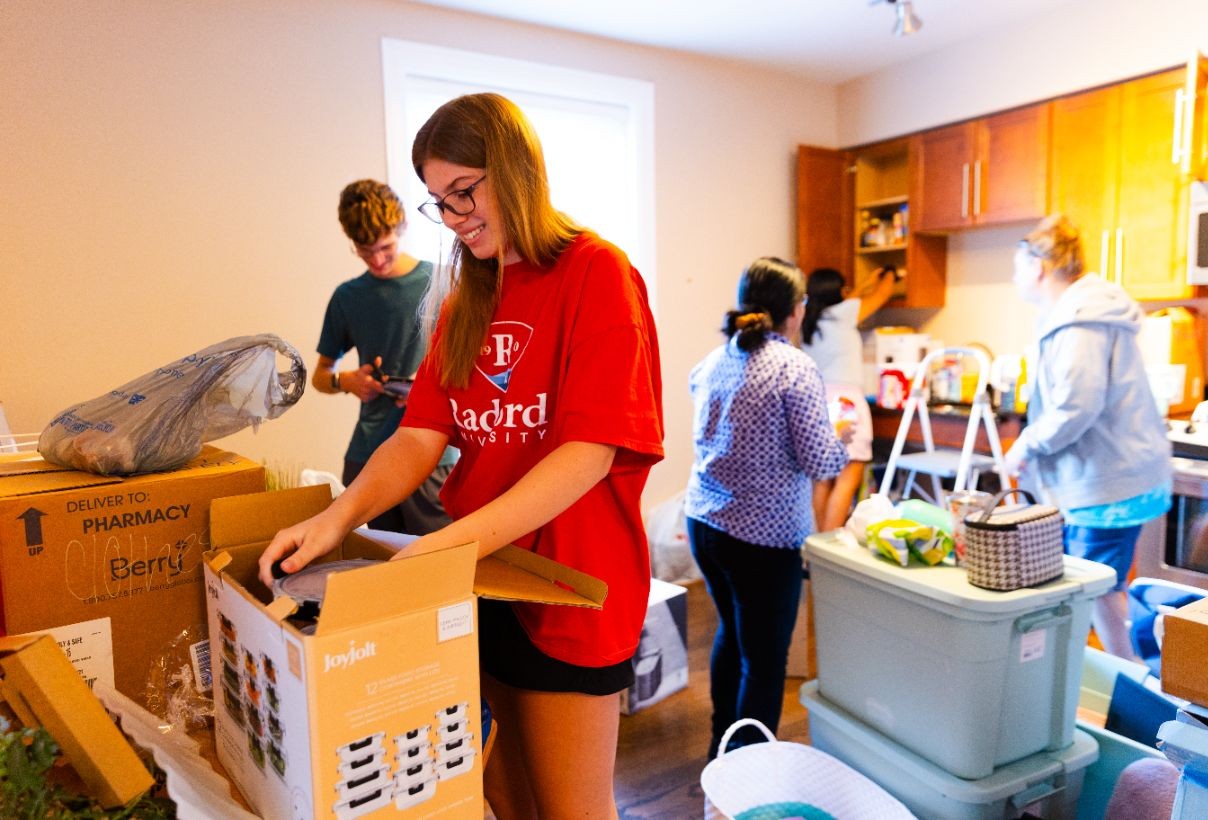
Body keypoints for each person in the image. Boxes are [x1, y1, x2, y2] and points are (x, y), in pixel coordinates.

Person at [259, 93, 663, 819]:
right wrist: (335, 517)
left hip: (572, 586)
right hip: (488, 580)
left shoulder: (597, 273)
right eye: (438, 201)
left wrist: (442, 548)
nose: (451, 217)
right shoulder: (466, 296)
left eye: (464, 192)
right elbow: (418, 436)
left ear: (516, 170)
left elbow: (587, 455)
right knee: (502, 797)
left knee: (572, 806)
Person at [685, 256, 850, 759]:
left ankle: (723, 745)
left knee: (732, 636)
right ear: (796, 311)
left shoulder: (715, 360)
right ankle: (751, 764)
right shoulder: (795, 367)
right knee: (765, 658)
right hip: (763, 537)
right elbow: (821, 459)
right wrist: (841, 436)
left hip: (705, 522)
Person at [1003, 214, 1172, 659]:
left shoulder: (1080, 321)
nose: (1015, 277)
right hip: (1105, 476)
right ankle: (1124, 679)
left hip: (1107, 482)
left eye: (1018, 266)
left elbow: (1076, 404)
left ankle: (1133, 684)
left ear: (1038, 266)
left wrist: (1026, 443)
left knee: (1096, 587)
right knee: (1096, 587)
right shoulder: (1079, 313)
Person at [314, 179, 457, 534]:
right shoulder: (348, 297)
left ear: (403, 226)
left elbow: (476, 368)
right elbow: (321, 375)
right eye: (365, 251)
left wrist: (428, 392)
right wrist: (347, 381)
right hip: (368, 456)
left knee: (438, 573)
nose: (377, 260)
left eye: (385, 248)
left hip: (432, 457)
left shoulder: (444, 282)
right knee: (375, 569)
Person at [799, 265, 897, 530]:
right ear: (837, 293)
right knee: (848, 475)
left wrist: (866, 282)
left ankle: (815, 548)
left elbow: (853, 296)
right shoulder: (843, 314)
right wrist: (890, 272)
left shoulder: (808, 320)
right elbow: (884, 293)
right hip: (846, 404)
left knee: (822, 479)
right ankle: (830, 549)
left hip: (818, 402)